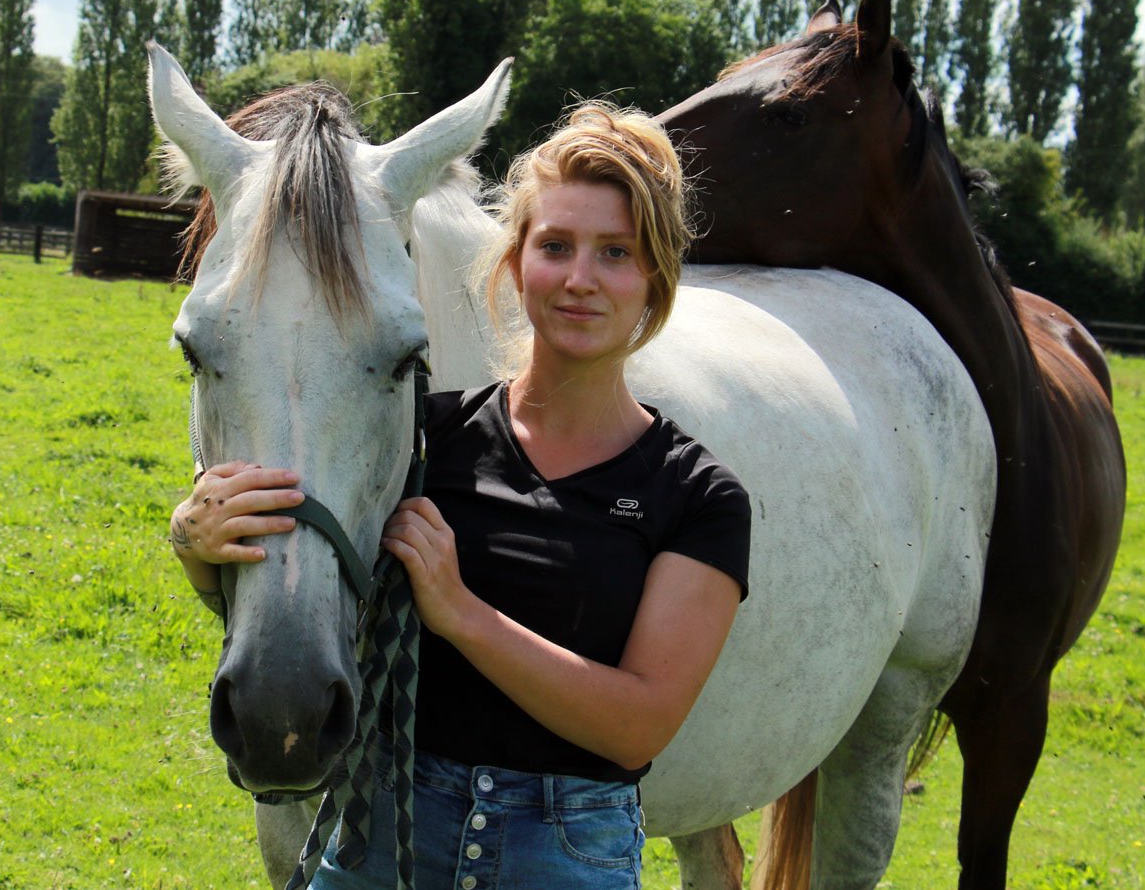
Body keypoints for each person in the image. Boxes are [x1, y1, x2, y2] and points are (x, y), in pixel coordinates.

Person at [170, 102, 752, 890]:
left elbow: (638, 728)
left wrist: (462, 614)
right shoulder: (423, 442)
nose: (579, 279)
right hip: (387, 841)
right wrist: (196, 540)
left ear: (657, 280)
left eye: (616, 252)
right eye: (555, 246)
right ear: (515, 263)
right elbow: (309, 584)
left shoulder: (699, 496)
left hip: (563, 861)